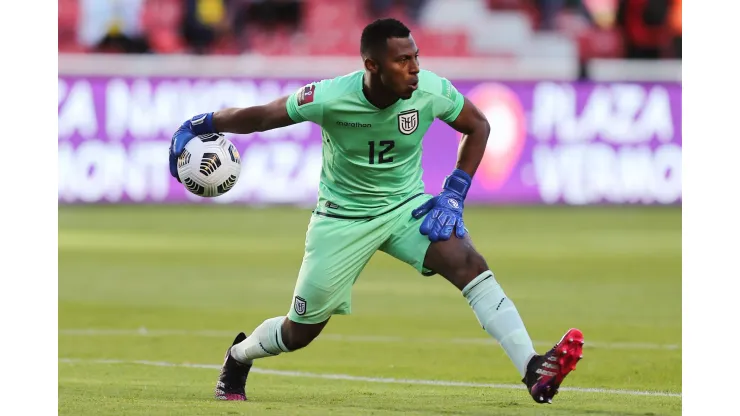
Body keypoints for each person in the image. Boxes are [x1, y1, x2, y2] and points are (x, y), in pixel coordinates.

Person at [167, 18, 584, 405]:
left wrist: (454, 193)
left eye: (416, 57)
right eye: (403, 60)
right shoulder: (330, 97)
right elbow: (261, 116)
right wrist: (201, 124)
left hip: (405, 209)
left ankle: (533, 369)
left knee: (469, 263)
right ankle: (239, 356)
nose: (415, 68)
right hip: (341, 220)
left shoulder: (430, 92)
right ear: (372, 65)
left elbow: (479, 126)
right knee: (300, 332)